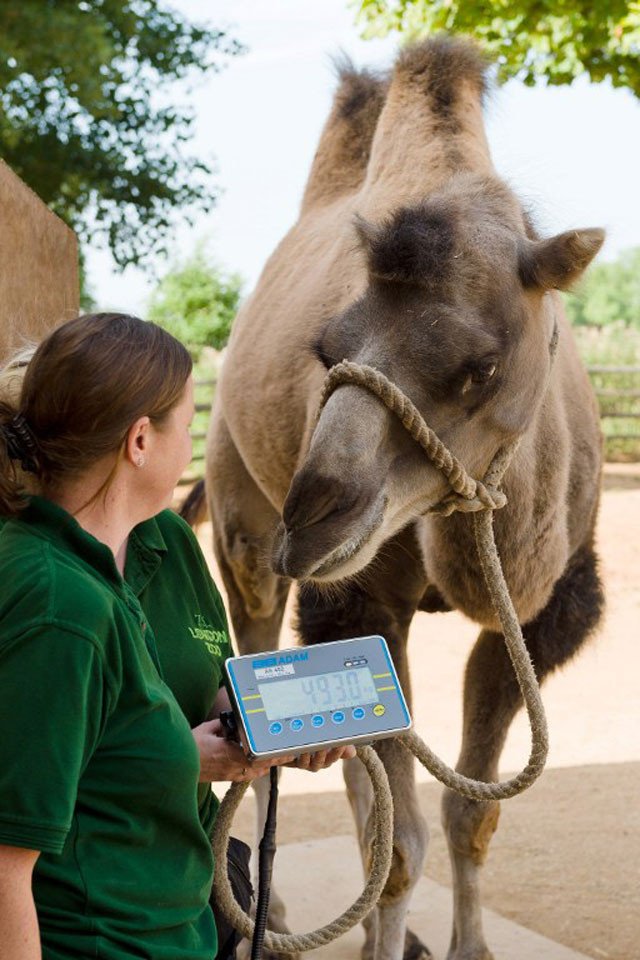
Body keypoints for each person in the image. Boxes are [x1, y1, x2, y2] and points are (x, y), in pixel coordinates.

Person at [0, 312, 354, 960]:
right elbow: (5, 866)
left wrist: (269, 729)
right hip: (102, 938)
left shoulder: (132, 557)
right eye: (187, 426)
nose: (192, 448)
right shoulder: (64, 609)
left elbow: (137, 725)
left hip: (172, 920)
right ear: (140, 441)